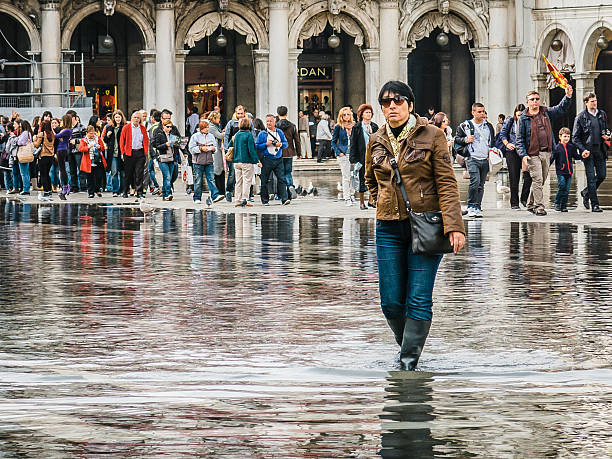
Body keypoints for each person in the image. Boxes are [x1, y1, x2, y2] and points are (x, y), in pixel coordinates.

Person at [364, 80, 465, 370]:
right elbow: (371, 179)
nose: (391, 106)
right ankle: (408, 346)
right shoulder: (376, 139)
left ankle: (408, 364)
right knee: (391, 303)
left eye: (397, 101)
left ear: (410, 104)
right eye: (386, 102)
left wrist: (454, 225)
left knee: (418, 299)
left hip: (426, 224)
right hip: (388, 227)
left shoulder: (432, 135)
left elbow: (446, 182)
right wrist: (381, 199)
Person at [516, 85, 573, 215]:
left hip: (547, 152)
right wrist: (523, 155)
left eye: (537, 99)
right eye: (532, 99)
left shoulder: (545, 112)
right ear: (527, 102)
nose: (535, 101)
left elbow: (560, 109)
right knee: (537, 179)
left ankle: (530, 204)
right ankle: (539, 206)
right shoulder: (523, 118)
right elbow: (519, 139)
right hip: (532, 153)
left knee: (541, 180)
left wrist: (568, 96)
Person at [454, 103, 495, 218]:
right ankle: (471, 206)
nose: (482, 114)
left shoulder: (488, 126)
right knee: (475, 182)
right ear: (473, 112)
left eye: (483, 111)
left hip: (485, 158)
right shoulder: (465, 125)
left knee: (481, 184)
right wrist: (466, 139)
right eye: (479, 112)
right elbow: (457, 140)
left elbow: (492, 140)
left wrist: (491, 152)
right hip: (472, 158)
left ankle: (477, 206)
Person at [572, 92, 610, 213]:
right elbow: (575, 138)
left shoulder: (602, 114)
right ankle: (595, 204)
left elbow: (605, 129)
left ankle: (586, 192)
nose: (595, 103)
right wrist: (583, 149)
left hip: (600, 149)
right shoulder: (580, 117)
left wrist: (608, 135)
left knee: (602, 175)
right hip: (588, 151)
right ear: (586, 103)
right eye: (592, 101)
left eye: (595, 100)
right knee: (590, 178)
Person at [500, 104, 532, 209]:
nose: (520, 117)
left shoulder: (529, 121)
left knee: (528, 176)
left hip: (524, 151)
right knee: (514, 177)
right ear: (515, 114)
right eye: (518, 115)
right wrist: (507, 144)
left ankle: (524, 198)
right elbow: (503, 134)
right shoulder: (510, 121)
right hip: (512, 151)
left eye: (521, 115)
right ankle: (514, 203)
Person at [255, 114, 289, 205]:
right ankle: (265, 200)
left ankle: (284, 199)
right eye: (267, 121)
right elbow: (257, 146)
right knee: (265, 180)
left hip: (278, 159)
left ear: (275, 122)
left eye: (270, 121)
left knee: (281, 179)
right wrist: (266, 144)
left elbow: (286, 144)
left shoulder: (279, 132)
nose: (269, 123)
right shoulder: (262, 133)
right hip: (266, 159)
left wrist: (280, 145)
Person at [350, 103, 378, 210]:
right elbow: (353, 143)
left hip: (373, 157)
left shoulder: (375, 126)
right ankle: (361, 202)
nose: (368, 114)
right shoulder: (357, 127)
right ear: (361, 114)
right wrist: (353, 159)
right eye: (366, 112)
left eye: (370, 112)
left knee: (374, 179)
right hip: (361, 157)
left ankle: (371, 200)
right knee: (361, 179)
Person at [188, 119, 223, 204]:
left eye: (207, 127)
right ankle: (197, 197)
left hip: (209, 161)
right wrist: (200, 148)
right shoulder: (195, 136)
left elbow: (215, 147)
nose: (207, 129)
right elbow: (191, 149)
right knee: (198, 180)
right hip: (198, 162)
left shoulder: (211, 136)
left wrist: (213, 149)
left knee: (211, 179)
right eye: (205, 128)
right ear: (201, 128)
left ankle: (215, 195)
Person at [551, 127, 585, 212]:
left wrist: (583, 156)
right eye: (565, 136)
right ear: (560, 137)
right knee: (561, 185)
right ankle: (557, 202)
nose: (567, 138)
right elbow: (552, 158)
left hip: (569, 171)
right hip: (560, 171)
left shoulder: (571, 147)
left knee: (566, 190)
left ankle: (563, 205)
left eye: (568, 136)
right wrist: (546, 165)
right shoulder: (557, 148)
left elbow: (576, 156)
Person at [230, 117, 260, 207]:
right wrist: (257, 161)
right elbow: (251, 149)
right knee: (247, 181)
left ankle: (237, 200)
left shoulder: (237, 134)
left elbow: (229, 145)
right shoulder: (249, 135)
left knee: (238, 181)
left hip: (236, 161)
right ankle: (245, 199)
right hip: (246, 161)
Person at [120, 111, 149, 198]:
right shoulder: (126, 128)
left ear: (140, 119)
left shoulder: (142, 128)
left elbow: (146, 140)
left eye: (138, 118)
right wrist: (123, 152)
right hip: (129, 152)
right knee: (128, 173)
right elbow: (122, 141)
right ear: (131, 118)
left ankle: (139, 192)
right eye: (134, 117)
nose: (136, 119)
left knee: (139, 173)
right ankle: (125, 191)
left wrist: (145, 151)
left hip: (140, 152)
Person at [276, 105, 301, 200]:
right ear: (287, 114)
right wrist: (299, 153)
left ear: (278, 114)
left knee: (279, 173)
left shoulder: (276, 126)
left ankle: (281, 193)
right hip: (289, 152)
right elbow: (297, 141)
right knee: (288, 172)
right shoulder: (292, 126)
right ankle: (290, 186)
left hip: (278, 152)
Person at [223, 105, 248, 201]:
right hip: (233, 150)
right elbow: (226, 136)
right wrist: (227, 149)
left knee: (246, 173)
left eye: (242, 113)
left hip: (244, 150)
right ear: (235, 113)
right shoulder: (231, 123)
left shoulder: (248, 122)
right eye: (238, 113)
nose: (240, 115)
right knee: (232, 173)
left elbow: (252, 134)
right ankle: (229, 190)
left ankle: (245, 195)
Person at [152, 119, 180, 201]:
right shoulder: (159, 134)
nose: (169, 128)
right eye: (167, 126)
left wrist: (178, 143)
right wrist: (165, 144)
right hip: (162, 158)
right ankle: (168, 193)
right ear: (163, 127)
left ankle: (164, 194)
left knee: (169, 177)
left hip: (172, 158)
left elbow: (178, 145)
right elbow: (156, 145)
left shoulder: (172, 134)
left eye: (170, 127)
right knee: (167, 176)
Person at [333, 107, 355, 206]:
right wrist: (339, 152)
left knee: (354, 176)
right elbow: (333, 142)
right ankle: (347, 198)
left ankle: (352, 194)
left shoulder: (355, 125)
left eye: (348, 114)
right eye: (344, 114)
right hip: (344, 154)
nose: (346, 116)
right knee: (346, 177)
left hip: (354, 154)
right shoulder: (338, 126)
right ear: (341, 116)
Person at [102, 110, 126, 197]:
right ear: (114, 118)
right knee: (114, 172)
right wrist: (108, 135)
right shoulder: (109, 127)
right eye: (116, 117)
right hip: (112, 153)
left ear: (121, 118)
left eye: (119, 117)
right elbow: (105, 140)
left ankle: (123, 190)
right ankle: (115, 190)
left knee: (123, 173)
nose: (117, 119)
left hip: (122, 153)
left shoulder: (124, 127)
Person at [79, 125, 107, 198]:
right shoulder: (83, 140)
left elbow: (103, 147)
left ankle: (97, 190)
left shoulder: (97, 138)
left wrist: (99, 147)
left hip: (98, 160)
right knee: (90, 177)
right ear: (87, 133)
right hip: (89, 161)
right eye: (90, 133)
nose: (92, 135)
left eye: (93, 133)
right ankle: (91, 192)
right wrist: (88, 147)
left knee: (99, 176)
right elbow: (81, 149)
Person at [33, 120, 55, 198]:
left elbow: (36, 145)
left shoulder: (42, 134)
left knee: (43, 175)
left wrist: (34, 139)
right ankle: (49, 191)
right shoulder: (52, 134)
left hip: (43, 156)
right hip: (51, 156)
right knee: (47, 174)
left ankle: (46, 192)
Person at [55, 114, 73, 200]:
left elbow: (56, 136)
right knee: (62, 169)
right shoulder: (66, 130)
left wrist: (55, 132)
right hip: (61, 149)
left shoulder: (67, 130)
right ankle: (66, 186)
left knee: (62, 170)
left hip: (61, 150)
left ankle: (66, 186)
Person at [208, 111, 225, 195]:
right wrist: (227, 132)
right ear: (213, 118)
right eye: (218, 118)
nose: (219, 120)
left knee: (220, 169)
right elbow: (220, 135)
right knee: (217, 169)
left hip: (218, 150)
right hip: (215, 151)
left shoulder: (216, 126)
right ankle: (218, 191)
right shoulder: (211, 127)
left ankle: (221, 190)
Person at [15, 120, 33, 195]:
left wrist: (17, 140)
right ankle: (26, 188)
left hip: (23, 154)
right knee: (26, 173)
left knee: (24, 173)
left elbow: (20, 142)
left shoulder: (25, 133)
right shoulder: (29, 133)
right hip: (27, 154)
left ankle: (26, 189)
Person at [146, 109, 161, 195]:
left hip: (154, 153)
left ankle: (157, 186)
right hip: (159, 152)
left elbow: (152, 142)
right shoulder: (161, 126)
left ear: (152, 118)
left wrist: (152, 154)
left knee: (151, 169)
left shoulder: (153, 128)